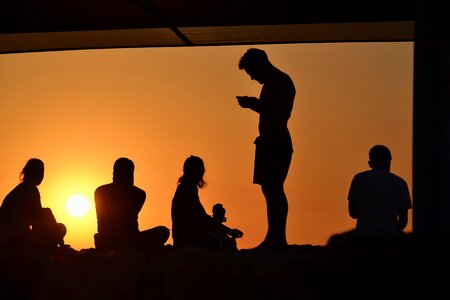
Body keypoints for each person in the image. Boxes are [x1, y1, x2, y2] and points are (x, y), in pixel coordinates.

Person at [236, 48, 295, 251]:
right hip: (269, 142)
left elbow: (278, 113)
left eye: (252, 72)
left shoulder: (280, 82)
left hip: (275, 143)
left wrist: (254, 104)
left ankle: (277, 239)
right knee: (270, 190)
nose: (252, 78)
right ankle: (274, 237)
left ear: (260, 64)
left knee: (274, 189)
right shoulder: (275, 83)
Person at [328, 145, 412, 245]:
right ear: (389, 161)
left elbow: (353, 213)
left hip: (363, 240)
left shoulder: (358, 179)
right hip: (389, 242)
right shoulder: (401, 183)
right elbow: (403, 220)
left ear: (370, 163)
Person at [94, 157, 169, 251]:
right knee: (163, 231)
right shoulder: (138, 194)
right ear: (131, 174)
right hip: (129, 240)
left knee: (162, 231)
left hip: (105, 240)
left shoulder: (100, 191)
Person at [171, 155, 243, 252]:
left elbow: (203, 217)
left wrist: (228, 230)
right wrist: (215, 223)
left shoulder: (190, 189)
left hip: (188, 236)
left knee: (221, 237)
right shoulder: (185, 190)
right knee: (219, 241)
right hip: (186, 238)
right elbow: (192, 223)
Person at [0, 158, 66, 249]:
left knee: (50, 218)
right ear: (30, 173)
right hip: (14, 238)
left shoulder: (20, 189)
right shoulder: (31, 189)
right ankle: (52, 246)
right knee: (54, 221)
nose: (41, 176)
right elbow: (38, 217)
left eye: (42, 173)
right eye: (39, 172)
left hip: (8, 236)